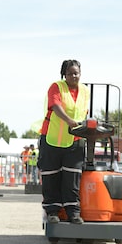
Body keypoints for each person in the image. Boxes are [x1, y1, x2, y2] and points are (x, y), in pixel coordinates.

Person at [38, 59, 90, 224]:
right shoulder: (56, 87)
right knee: (51, 176)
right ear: (64, 75)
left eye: (76, 73)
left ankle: (73, 212)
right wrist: (69, 121)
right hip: (52, 139)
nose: (74, 76)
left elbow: (83, 112)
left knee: (72, 177)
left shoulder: (85, 91)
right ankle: (52, 211)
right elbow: (55, 106)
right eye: (70, 73)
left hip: (75, 141)